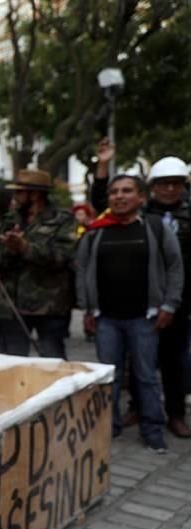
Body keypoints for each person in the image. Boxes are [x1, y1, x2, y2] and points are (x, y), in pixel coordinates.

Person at [77, 175, 183, 453]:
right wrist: (87, 308)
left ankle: (152, 430)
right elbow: (82, 269)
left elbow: (174, 266)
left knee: (146, 376)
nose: (119, 196)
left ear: (140, 198)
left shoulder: (155, 227)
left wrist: (169, 305)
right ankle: (108, 428)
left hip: (144, 318)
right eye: (114, 192)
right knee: (107, 377)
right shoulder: (96, 231)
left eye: (127, 191)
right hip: (106, 320)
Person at [92, 144, 191, 438]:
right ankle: (137, 407)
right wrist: (103, 166)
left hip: (178, 301)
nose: (169, 189)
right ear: (151, 189)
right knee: (140, 360)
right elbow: (101, 202)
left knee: (175, 358)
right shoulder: (141, 213)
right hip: (143, 303)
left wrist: (173, 304)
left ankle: (175, 413)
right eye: (163, 184)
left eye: (175, 184)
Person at [0, 169, 78, 358]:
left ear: (34, 194)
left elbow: (62, 256)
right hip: (12, 306)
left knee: (52, 361)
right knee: (13, 362)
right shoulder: (8, 219)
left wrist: (25, 248)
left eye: (20, 192)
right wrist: (11, 250)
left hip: (48, 306)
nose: (15, 197)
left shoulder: (62, 220)